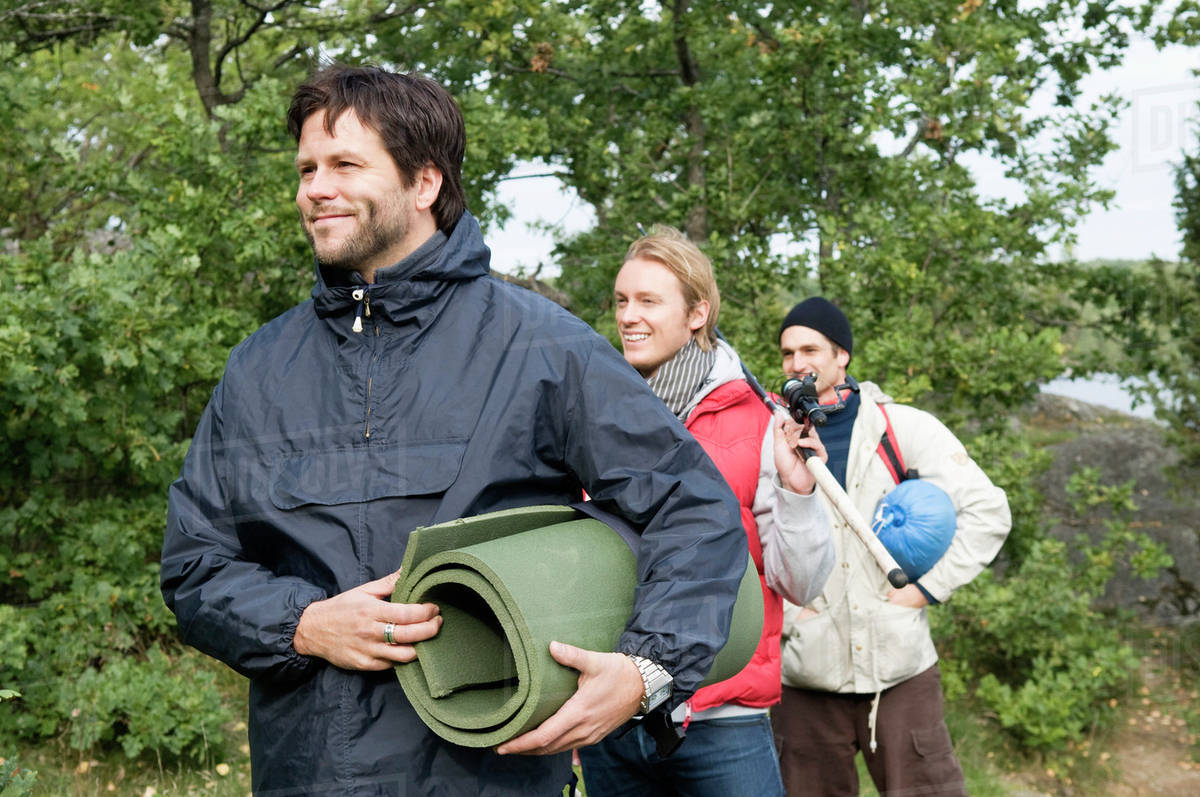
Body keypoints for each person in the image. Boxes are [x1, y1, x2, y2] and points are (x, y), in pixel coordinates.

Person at [160, 64, 752, 797]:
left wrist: (643, 669)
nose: (315, 187)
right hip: (304, 773)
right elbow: (194, 565)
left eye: (346, 164)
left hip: (487, 778)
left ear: (425, 183)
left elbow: (693, 506)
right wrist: (303, 623)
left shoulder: (540, 348)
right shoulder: (258, 369)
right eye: (307, 168)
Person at [577, 229, 835, 796]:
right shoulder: (592, 415)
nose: (629, 317)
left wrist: (797, 494)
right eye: (622, 301)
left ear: (697, 312)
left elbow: (802, 582)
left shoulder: (761, 421)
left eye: (649, 301)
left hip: (723, 715)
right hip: (612, 711)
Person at [770, 297, 1012, 797]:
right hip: (805, 675)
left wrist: (926, 589)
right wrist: (791, 619)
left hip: (901, 669)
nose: (797, 363)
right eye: (788, 352)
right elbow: (749, 539)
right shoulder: (771, 439)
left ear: (843, 357)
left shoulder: (901, 429)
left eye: (810, 348)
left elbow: (989, 512)